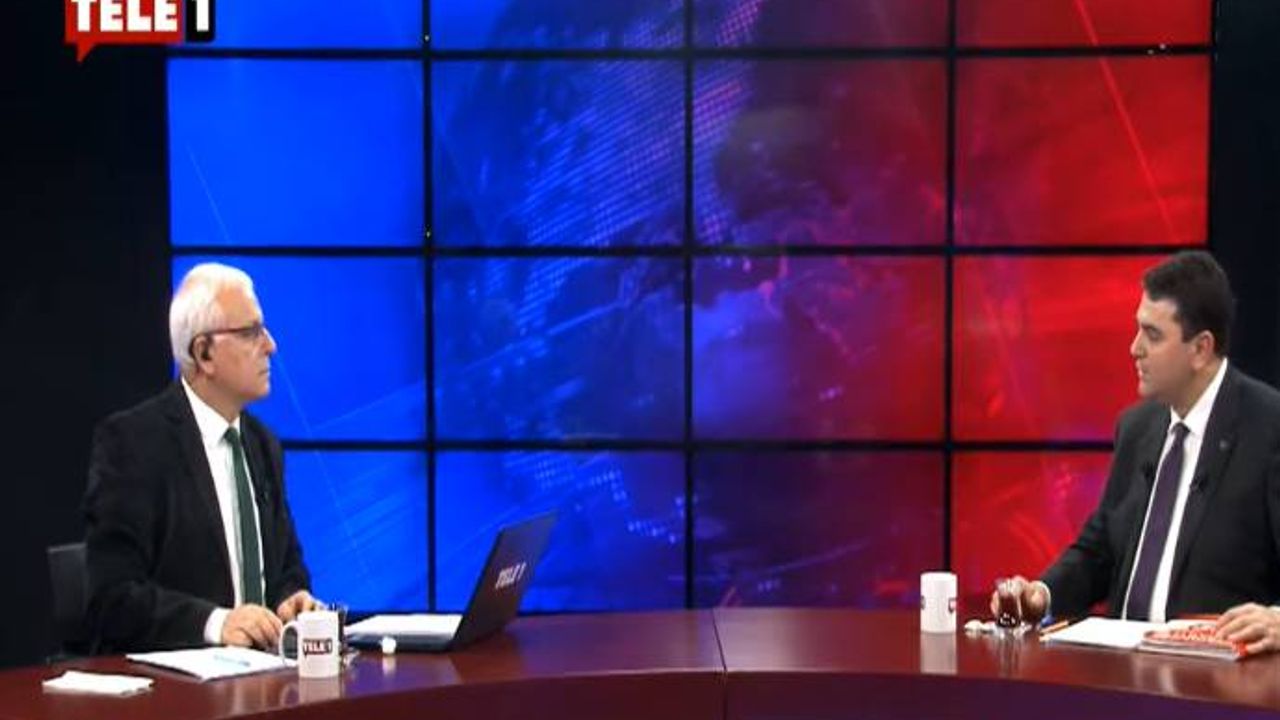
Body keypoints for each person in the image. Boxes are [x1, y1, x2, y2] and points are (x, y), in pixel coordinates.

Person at [991, 251, 1280, 655]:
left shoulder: (1268, 427)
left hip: (1216, 678)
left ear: (1201, 349)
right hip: (1123, 672)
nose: (1134, 348)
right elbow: (1100, 551)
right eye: (1137, 330)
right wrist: (1042, 594)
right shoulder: (1136, 428)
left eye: (1153, 335)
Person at [84, 262, 315, 652]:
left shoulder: (263, 445)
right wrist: (217, 623)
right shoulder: (134, 443)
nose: (270, 345)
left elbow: (287, 569)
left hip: (264, 674)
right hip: (176, 680)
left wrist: (292, 600)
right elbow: (112, 599)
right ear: (204, 352)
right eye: (251, 332)